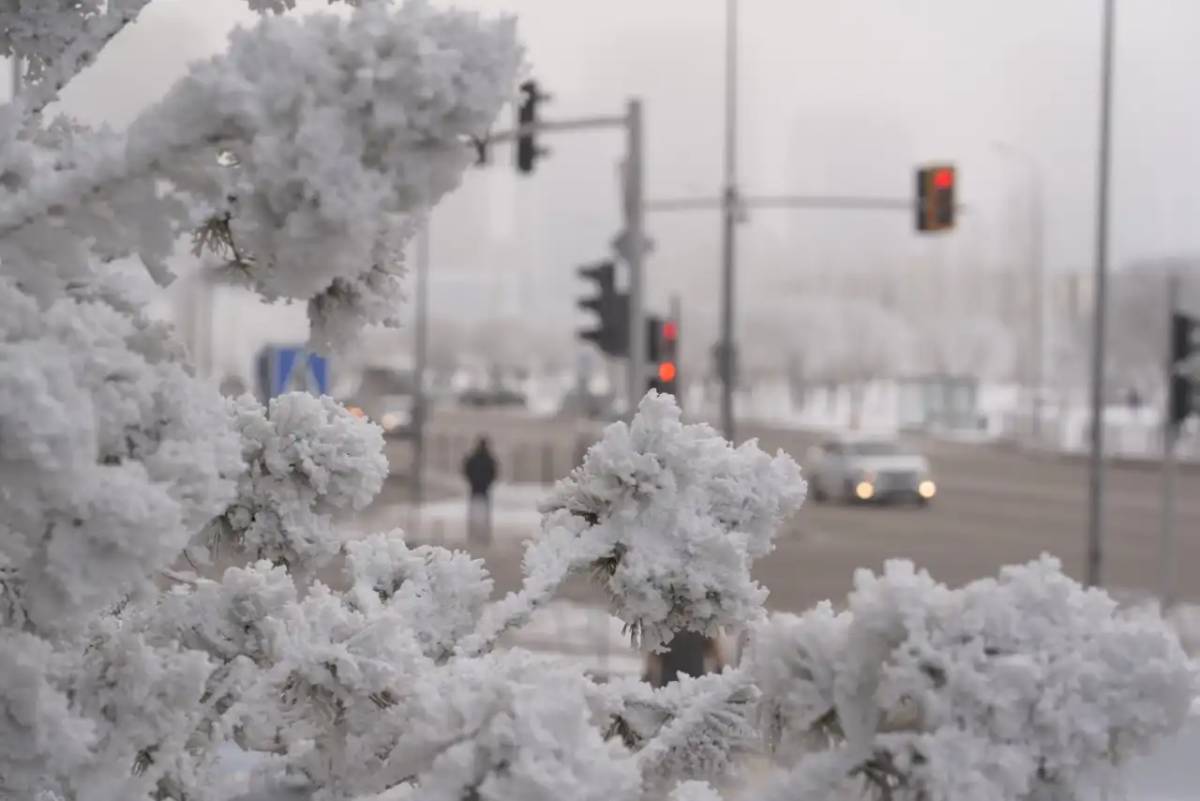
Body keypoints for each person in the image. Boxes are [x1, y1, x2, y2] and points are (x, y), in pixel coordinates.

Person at [462, 436, 498, 546]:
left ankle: (475, 534)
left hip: (476, 488)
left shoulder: (474, 458)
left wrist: (473, 481)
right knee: (483, 514)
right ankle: (482, 534)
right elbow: (493, 473)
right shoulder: (488, 459)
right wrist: (487, 482)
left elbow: (467, 470)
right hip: (483, 489)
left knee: (475, 513)